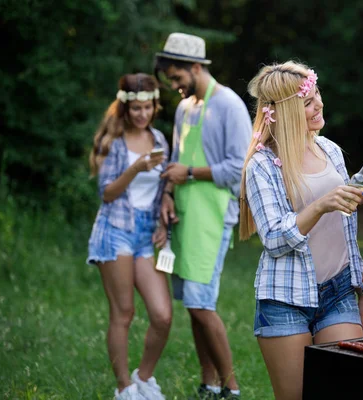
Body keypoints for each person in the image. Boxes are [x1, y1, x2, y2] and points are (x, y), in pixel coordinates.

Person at [239, 60, 363, 400]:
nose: (320, 105)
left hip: (339, 291)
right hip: (285, 300)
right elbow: (273, 238)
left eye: (318, 96)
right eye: (309, 102)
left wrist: (361, 288)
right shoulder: (262, 165)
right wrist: (320, 205)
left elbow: (347, 227)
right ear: (285, 112)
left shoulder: (329, 149)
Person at [153, 33, 251, 399]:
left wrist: (190, 174)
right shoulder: (184, 108)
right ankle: (208, 383)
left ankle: (232, 388)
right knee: (192, 305)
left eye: (177, 78)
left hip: (212, 217)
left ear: (196, 67)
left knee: (200, 302)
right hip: (184, 217)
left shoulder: (229, 105)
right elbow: (174, 161)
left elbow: (239, 168)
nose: (174, 87)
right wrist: (166, 195)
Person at [86, 73, 172, 400]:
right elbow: (107, 193)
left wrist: (165, 217)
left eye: (147, 107)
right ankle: (124, 388)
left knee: (162, 315)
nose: (141, 114)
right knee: (123, 313)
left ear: (154, 106)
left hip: (146, 234)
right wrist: (136, 168)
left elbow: (164, 187)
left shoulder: (161, 141)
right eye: (135, 108)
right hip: (115, 231)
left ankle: (143, 378)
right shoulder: (114, 142)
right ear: (125, 107)